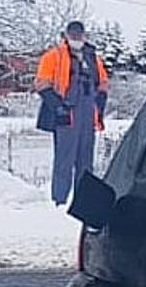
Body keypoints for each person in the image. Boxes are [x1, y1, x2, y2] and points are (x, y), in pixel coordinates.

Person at [35, 20, 110, 206]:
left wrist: (99, 108)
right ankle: (59, 201)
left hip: (88, 114)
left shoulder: (93, 58)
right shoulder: (53, 56)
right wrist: (57, 107)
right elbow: (42, 84)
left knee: (86, 162)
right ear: (66, 36)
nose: (77, 38)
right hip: (67, 113)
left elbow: (103, 85)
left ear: (84, 36)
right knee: (64, 161)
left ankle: (83, 202)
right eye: (73, 35)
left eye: (79, 35)